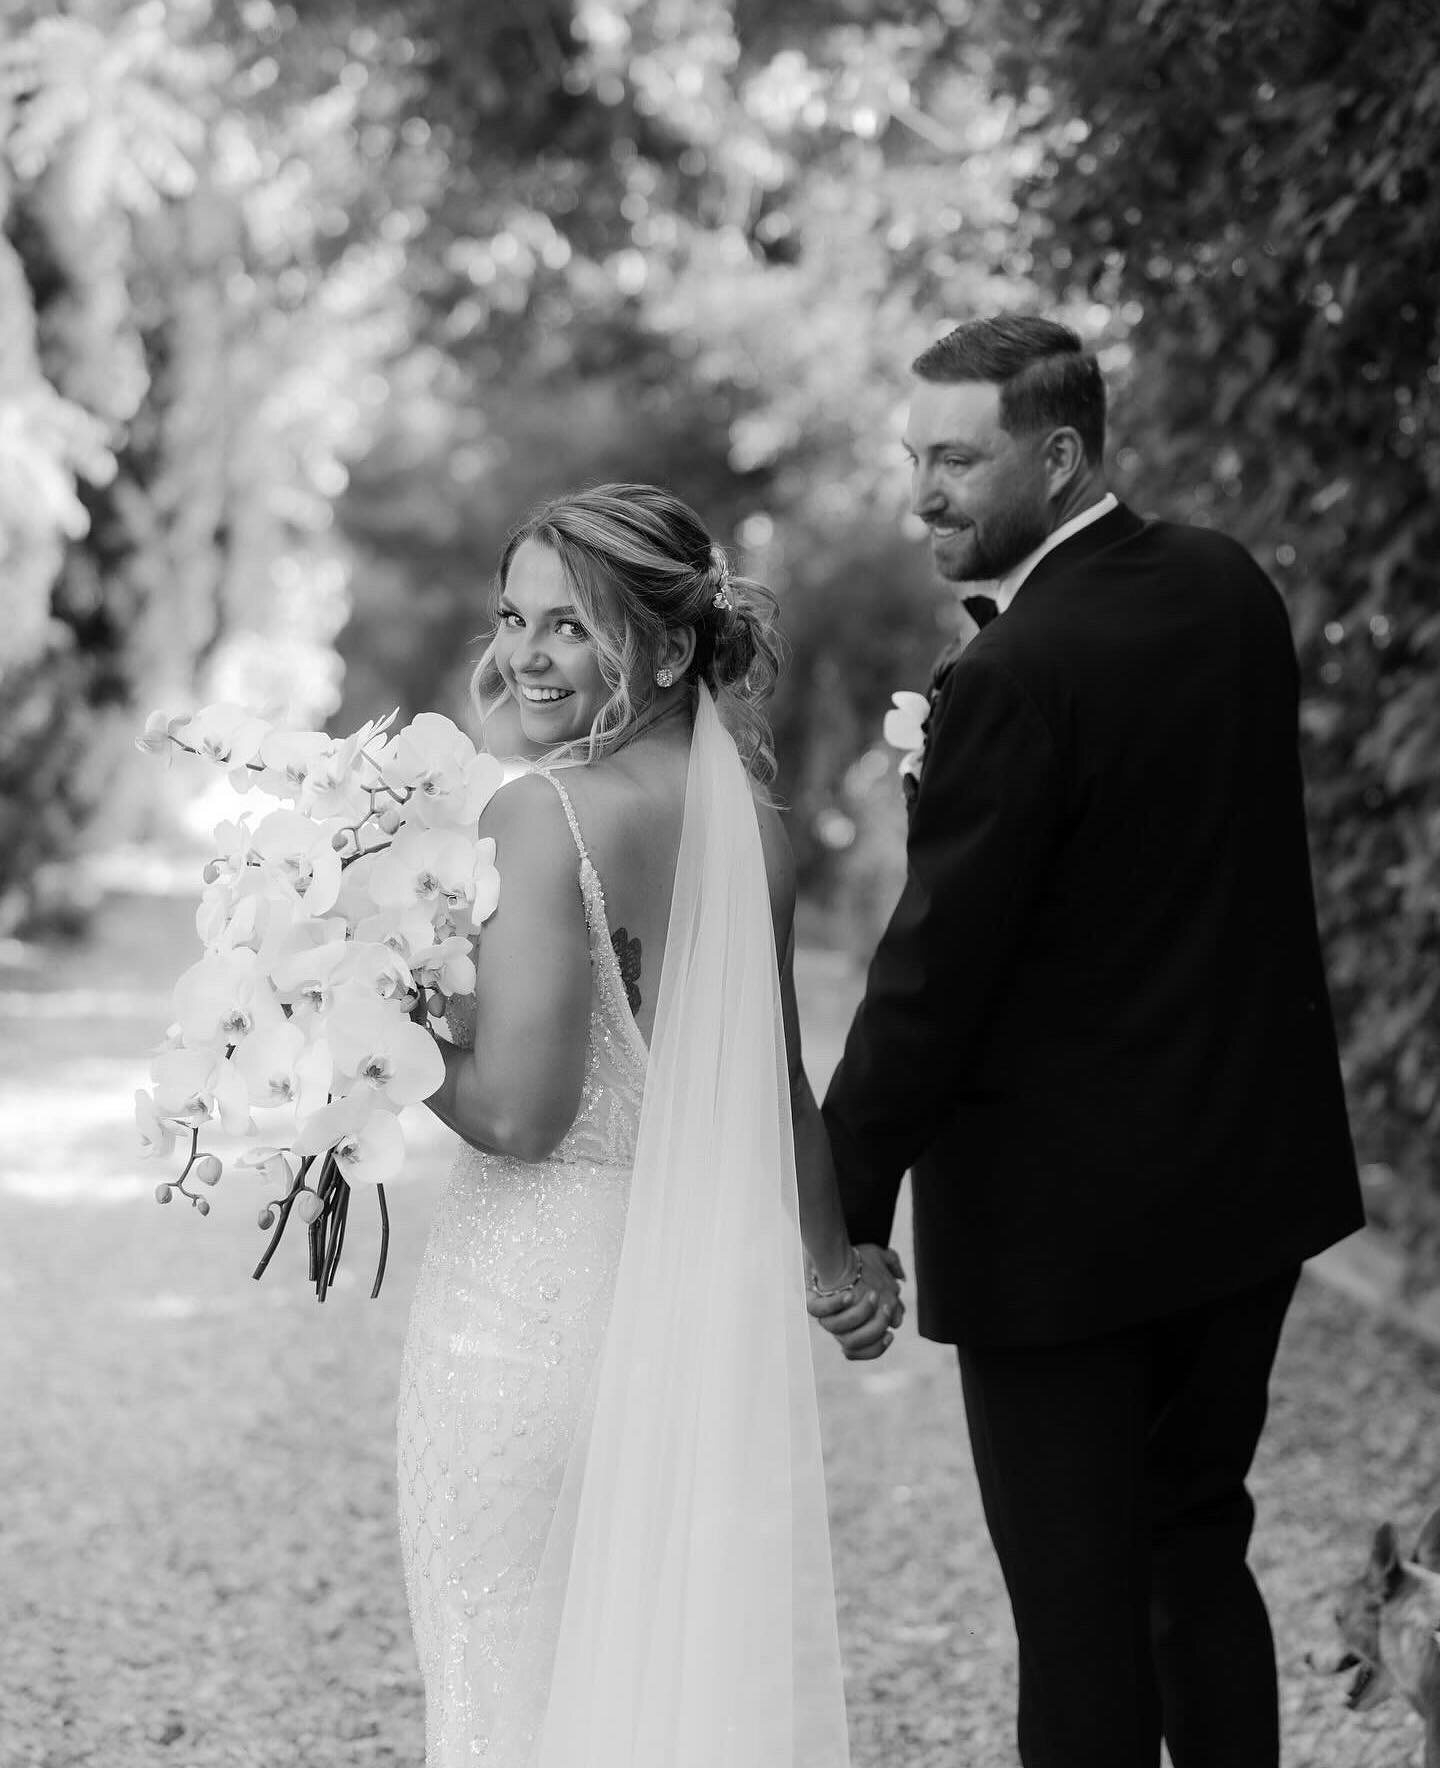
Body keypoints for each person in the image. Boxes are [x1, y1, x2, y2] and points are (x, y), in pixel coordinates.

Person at [812, 315, 1364, 1767]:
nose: (923, 492)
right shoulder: (1227, 587)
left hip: (1068, 1245)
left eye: (957, 459)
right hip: (1246, 1194)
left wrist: (844, 1212)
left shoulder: (1014, 675)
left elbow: (934, 980)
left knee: (1077, 1625)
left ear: (1059, 457)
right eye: (913, 457)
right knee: (1195, 1558)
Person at [395, 483, 882, 1767]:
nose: (526, 655)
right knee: (651, 1697)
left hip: (526, 1317)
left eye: (572, 625)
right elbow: (779, 1089)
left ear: (667, 647)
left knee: (502, 1683)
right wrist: (835, 1275)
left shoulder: (543, 817)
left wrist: (361, 1019)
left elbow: (516, 1111)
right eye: (516, 618)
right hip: (683, 1320)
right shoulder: (753, 835)